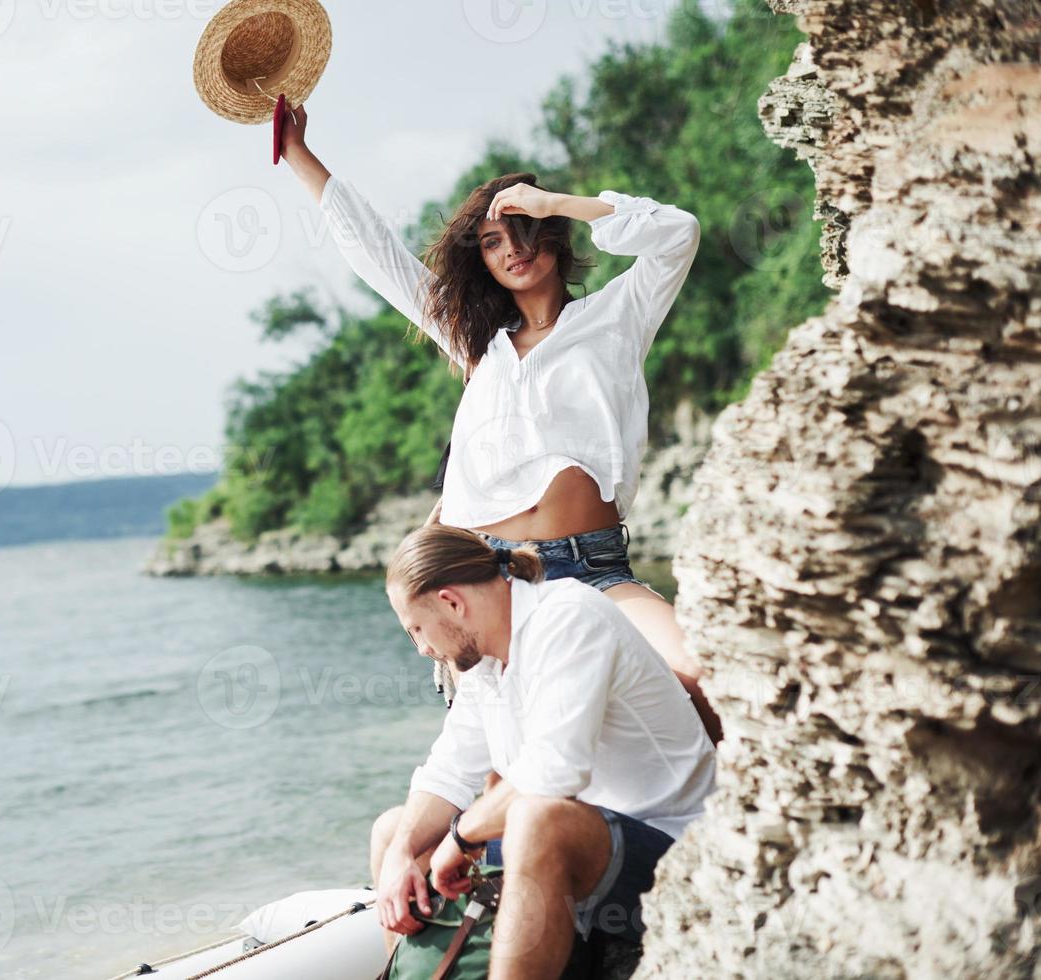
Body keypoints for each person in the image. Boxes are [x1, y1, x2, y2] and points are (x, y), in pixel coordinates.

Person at [280, 102, 721, 744]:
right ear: (480, 260)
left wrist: (552, 202)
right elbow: (378, 254)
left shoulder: (616, 317)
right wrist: (298, 154)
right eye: (493, 241)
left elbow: (677, 231)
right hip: (490, 582)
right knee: (504, 764)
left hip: (594, 569)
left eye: (525, 230)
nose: (513, 248)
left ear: (553, 236)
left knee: (700, 676)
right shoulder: (479, 347)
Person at [371, 525, 716, 978]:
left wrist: (461, 838)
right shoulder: (485, 663)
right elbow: (447, 773)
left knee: (537, 818)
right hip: (584, 841)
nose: (422, 648)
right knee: (392, 830)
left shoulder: (568, 616)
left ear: (452, 603)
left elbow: (555, 772)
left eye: (417, 628)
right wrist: (402, 851)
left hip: (671, 849)